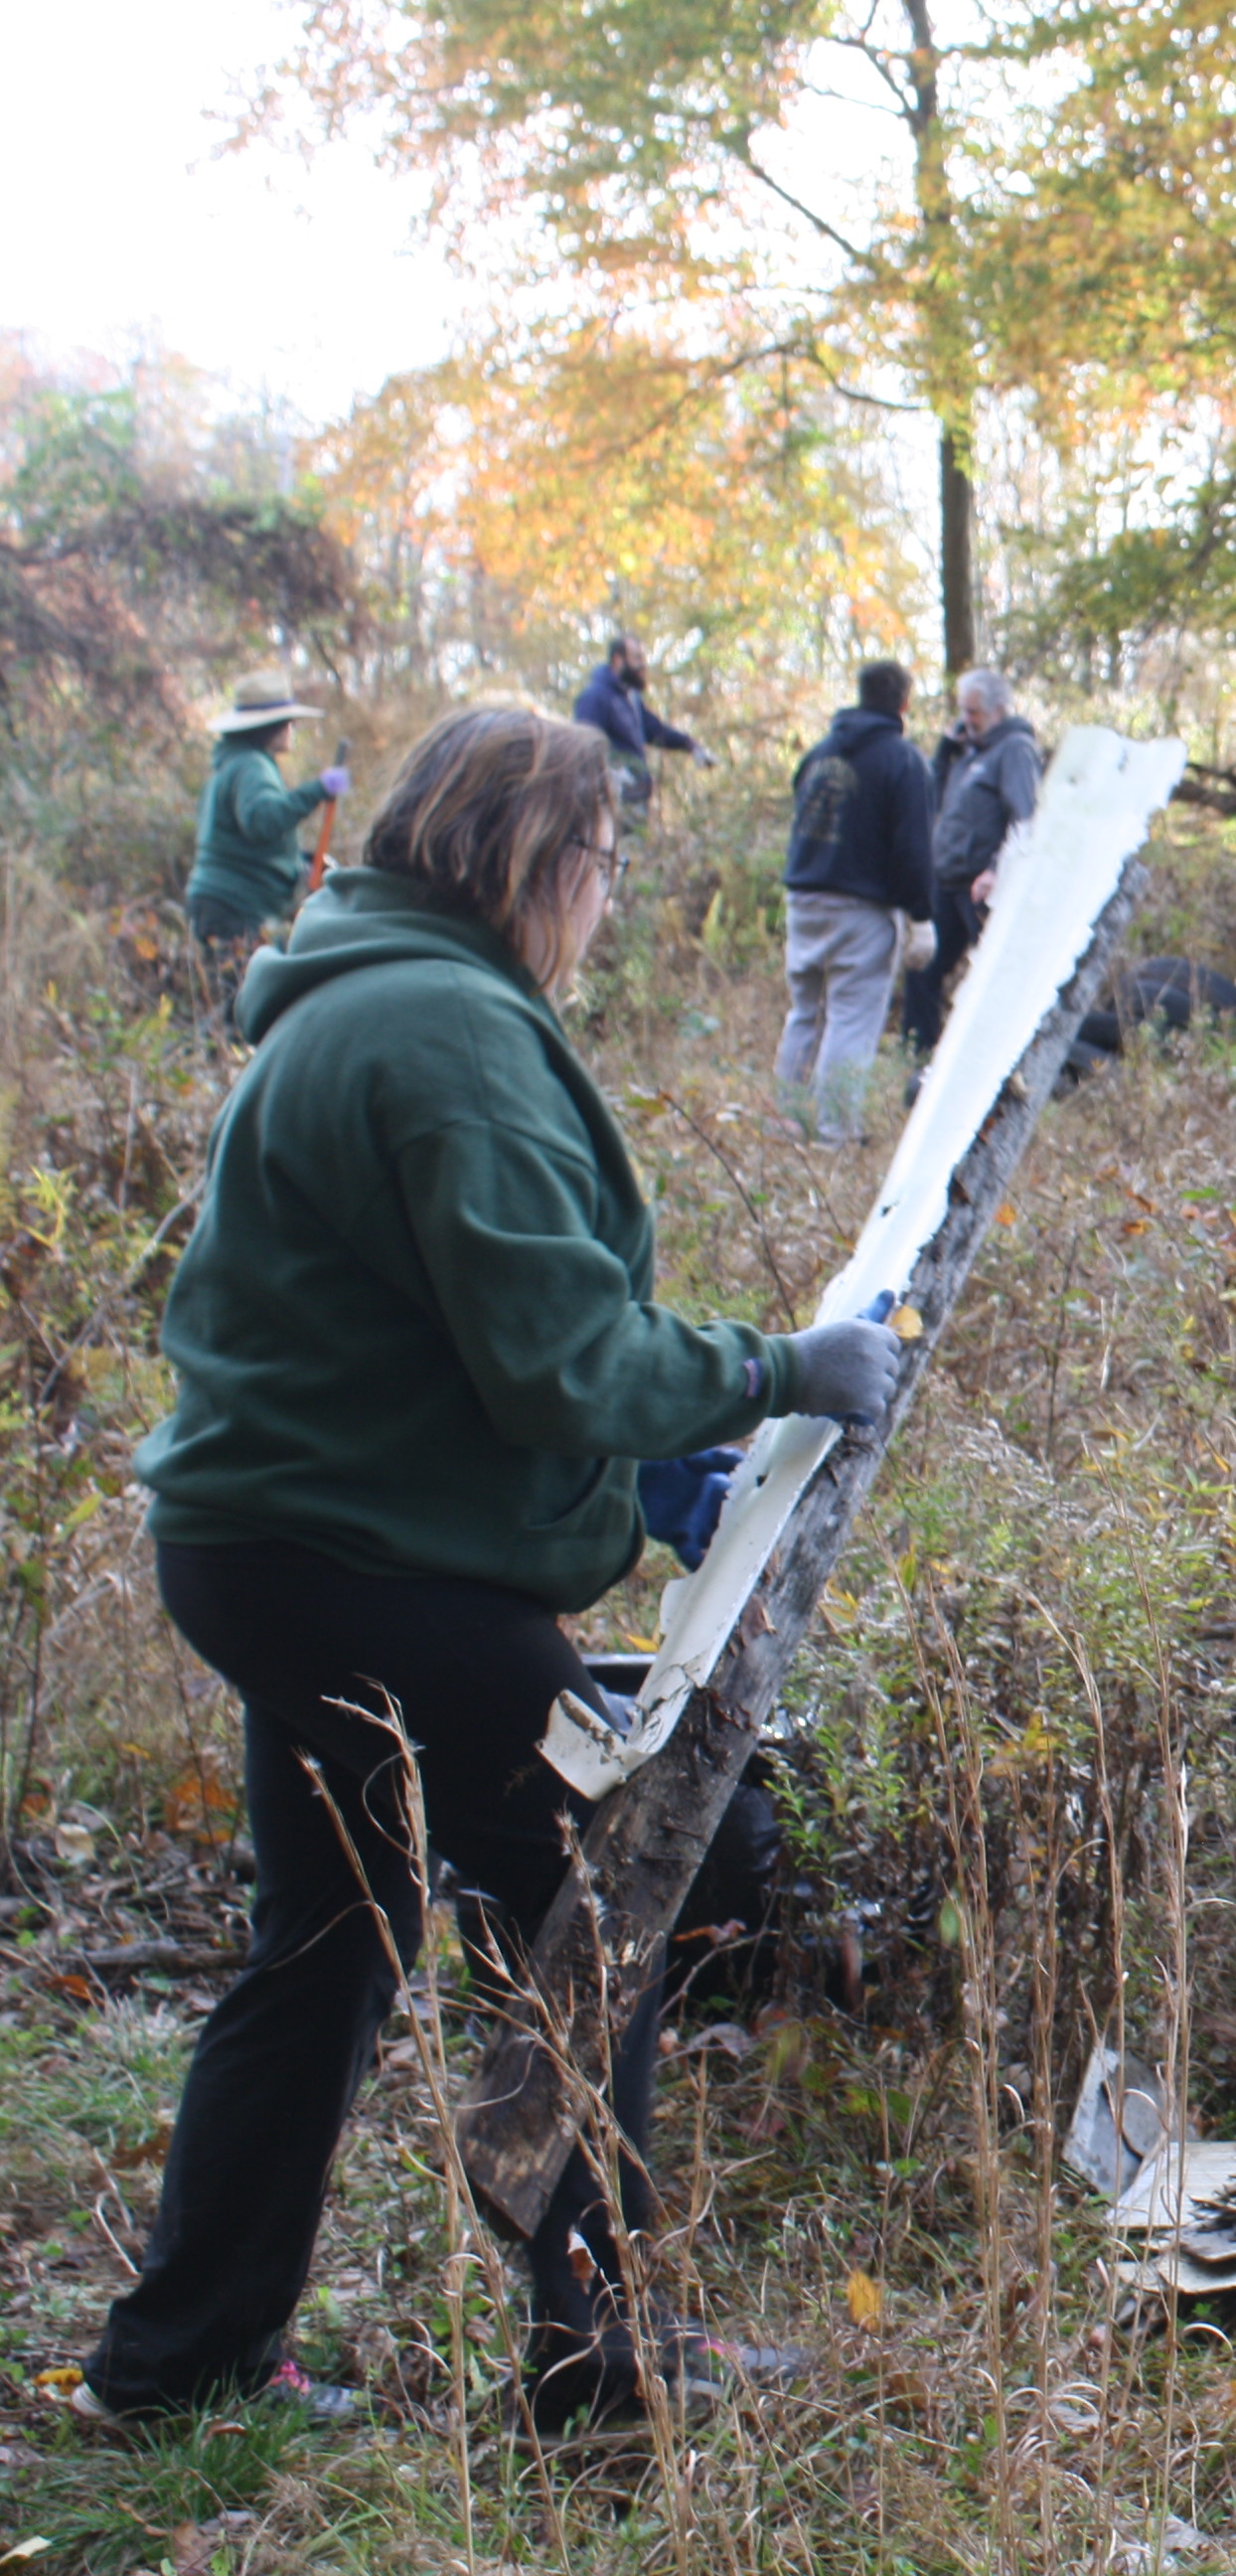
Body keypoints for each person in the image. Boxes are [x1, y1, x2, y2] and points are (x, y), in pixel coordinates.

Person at [77, 706, 909, 2436]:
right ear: (541, 859)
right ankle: (599, 2366)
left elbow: (430, 1338)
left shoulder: (365, 997)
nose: (604, 905)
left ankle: (180, 2363)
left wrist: (650, 1468)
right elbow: (556, 1349)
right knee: (590, 1912)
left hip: (280, 1551)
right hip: (363, 1571)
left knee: (325, 1942)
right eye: (603, 867)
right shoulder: (447, 1028)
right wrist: (770, 1369)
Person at [778, 659, 938, 1143]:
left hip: (803, 898)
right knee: (851, 1016)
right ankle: (835, 1130)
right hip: (861, 908)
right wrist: (922, 917)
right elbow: (913, 847)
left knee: (805, 1012)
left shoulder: (819, 753)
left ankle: (786, 1120)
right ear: (904, 703)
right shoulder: (903, 762)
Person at [904, 670, 1039, 1062]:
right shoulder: (968, 752)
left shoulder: (1014, 749)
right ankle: (917, 1055)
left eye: (974, 711)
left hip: (982, 888)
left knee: (995, 979)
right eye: (962, 710)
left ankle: (1004, 1060)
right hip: (945, 884)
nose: (967, 719)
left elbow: (1026, 817)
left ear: (999, 710)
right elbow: (934, 800)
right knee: (921, 968)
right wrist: (945, 752)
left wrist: (998, 868)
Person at [188, 669, 347, 957]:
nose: (293, 727)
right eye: (289, 722)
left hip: (219, 902)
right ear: (271, 727)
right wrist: (319, 789)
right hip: (235, 908)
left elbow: (241, 840)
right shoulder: (251, 766)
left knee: (229, 995)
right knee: (244, 998)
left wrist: (299, 863)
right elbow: (263, 823)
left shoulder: (232, 764)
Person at [572, 635, 713, 813]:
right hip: (610, 803)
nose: (642, 665)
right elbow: (584, 748)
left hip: (635, 798)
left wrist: (691, 745)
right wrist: (609, 775)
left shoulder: (631, 699)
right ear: (618, 660)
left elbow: (655, 731)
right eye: (637, 658)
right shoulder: (594, 697)